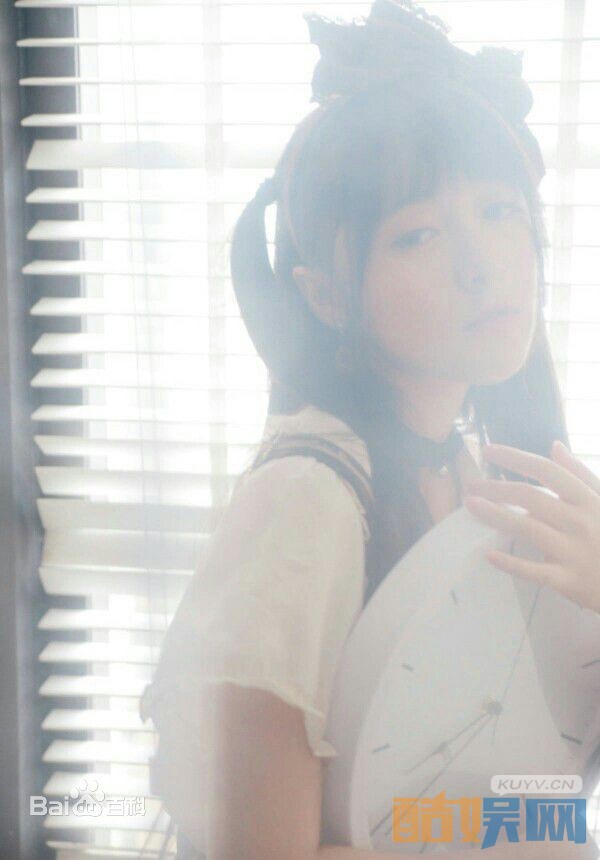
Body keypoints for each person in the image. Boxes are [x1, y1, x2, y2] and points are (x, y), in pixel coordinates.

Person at [140, 0, 600, 856]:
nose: (481, 264)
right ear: (325, 295)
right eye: (418, 234)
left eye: (501, 211)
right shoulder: (305, 504)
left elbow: (514, 806)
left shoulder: (476, 471)